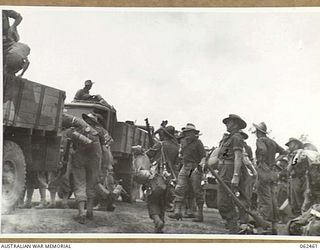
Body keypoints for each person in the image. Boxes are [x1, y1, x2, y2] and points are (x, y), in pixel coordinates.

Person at [62, 112, 103, 224]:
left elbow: (68, 143)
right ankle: (89, 212)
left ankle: (81, 213)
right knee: (91, 185)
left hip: (80, 157)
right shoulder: (100, 131)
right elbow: (106, 147)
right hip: (95, 158)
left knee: (80, 184)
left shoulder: (75, 130)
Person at [144, 125, 180, 232]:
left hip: (157, 176)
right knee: (163, 202)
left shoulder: (160, 144)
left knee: (152, 200)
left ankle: (157, 221)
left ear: (164, 134)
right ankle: (160, 225)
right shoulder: (176, 146)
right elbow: (177, 162)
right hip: (170, 177)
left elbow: (148, 154)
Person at [216, 114, 248, 233]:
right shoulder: (229, 138)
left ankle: (234, 228)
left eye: (228, 122)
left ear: (235, 124)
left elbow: (238, 157)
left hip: (229, 170)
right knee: (223, 201)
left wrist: (235, 175)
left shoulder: (237, 138)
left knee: (224, 201)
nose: (226, 125)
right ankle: (233, 227)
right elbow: (223, 155)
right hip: (224, 169)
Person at [169, 123, 206, 222]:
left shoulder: (198, 143)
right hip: (185, 166)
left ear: (194, 133)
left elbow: (203, 156)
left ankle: (200, 214)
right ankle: (177, 212)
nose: (187, 134)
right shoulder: (183, 142)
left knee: (197, 190)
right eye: (186, 132)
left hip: (194, 167)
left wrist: (201, 165)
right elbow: (181, 154)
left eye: (190, 132)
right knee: (179, 188)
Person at [253, 121, 285, 234]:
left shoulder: (260, 140)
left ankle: (264, 225)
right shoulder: (272, 142)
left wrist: (261, 162)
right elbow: (284, 152)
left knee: (264, 198)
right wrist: (275, 161)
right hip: (272, 172)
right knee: (272, 198)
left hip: (263, 170)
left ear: (258, 132)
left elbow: (263, 150)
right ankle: (274, 226)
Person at [286, 137, 306, 216]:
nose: (289, 146)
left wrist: (289, 168)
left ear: (295, 144)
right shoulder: (298, 153)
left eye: (290, 144)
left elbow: (292, 165)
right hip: (299, 177)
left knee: (297, 198)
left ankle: (299, 216)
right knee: (297, 198)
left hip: (297, 178)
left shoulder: (297, 153)